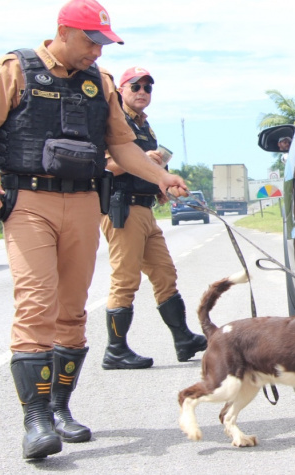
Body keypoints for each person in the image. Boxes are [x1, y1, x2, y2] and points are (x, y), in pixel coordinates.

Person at [0, 0, 188, 461]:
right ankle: (36, 420)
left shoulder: (99, 84)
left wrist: (161, 177)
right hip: (29, 202)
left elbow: (122, 148)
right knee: (37, 303)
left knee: (72, 311)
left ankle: (61, 409)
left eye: (104, 43)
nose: (98, 52)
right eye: (91, 41)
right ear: (63, 31)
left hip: (84, 201)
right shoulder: (15, 68)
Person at [99, 67, 207, 370]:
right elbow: (103, 166)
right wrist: (143, 160)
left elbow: (143, 169)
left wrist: (158, 185)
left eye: (148, 87)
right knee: (125, 279)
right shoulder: (111, 121)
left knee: (165, 273)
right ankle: (115, 350)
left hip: (144, 208)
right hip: (121, 208)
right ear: (122, 90)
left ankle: (183, 339)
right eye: (136, 86)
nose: (142, 92)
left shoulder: (145, 127)